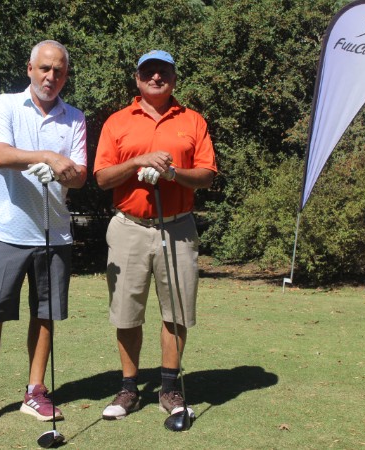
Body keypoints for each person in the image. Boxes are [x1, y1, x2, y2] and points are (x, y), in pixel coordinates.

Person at [0, 40, 87, 433]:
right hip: (8, 232)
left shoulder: (74, 117)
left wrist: (64, 171)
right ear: (30, 69)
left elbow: (80, 175)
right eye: (44, 68)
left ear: (65, 75)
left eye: (58, 71)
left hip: (54, 233)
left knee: (45, 314)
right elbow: (0, 154)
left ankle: (35, 390)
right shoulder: (6, 105)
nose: (51, 77)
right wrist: (47, 157)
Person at [93, 50, 217, 424]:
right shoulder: (117, 121)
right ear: (137, 78)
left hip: (177, 228)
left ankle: (169, 388)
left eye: (163, 71)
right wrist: (137, 162)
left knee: (176, 311)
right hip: (128, 227)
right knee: (126, 311)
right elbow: (102, 178)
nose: (156, 77)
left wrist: (172, 174)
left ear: (174, 78)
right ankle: (129, 389)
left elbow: (207, 175)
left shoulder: (192, 120)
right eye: (149, 71)